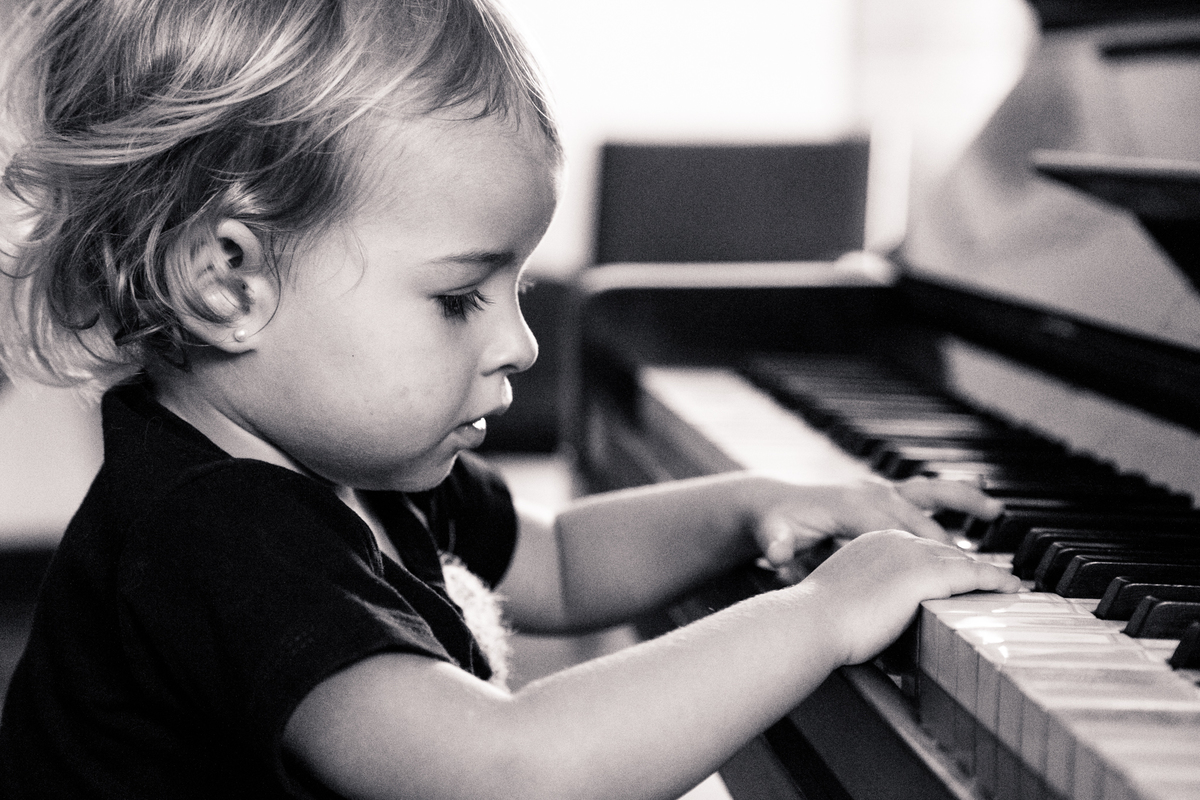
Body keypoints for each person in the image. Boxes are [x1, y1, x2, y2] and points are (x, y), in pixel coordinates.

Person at [0, 1, 1021, 798]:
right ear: (228, 279)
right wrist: (825, 614)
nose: (521, 343)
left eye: (517, 288)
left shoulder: (354, 466)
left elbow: (565, 564)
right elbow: (505, 772)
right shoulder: (208, 534)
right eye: (458, 297)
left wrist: (752, 504)